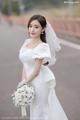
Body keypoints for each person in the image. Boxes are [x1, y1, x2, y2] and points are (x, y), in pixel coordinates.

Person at [18, 14, 69, 120]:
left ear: (42, 29)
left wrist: (25, 82)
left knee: (41, 109)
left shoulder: (42, 47)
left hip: (40, 81)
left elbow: (36, 71)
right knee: (35, 108)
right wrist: (23, 81)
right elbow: (25, 64)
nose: (32, 29)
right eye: (30, 26)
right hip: (29, 80)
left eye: (36, 27)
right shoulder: (26, 43)